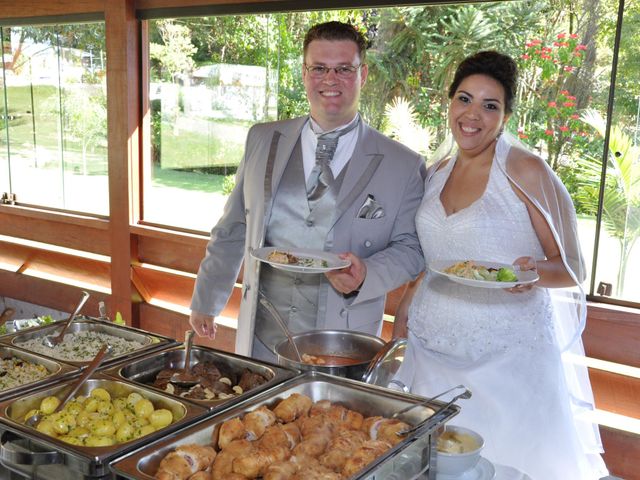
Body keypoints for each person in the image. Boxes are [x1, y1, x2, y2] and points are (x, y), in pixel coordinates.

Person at [392, 51, 607, 479]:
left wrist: (532, 275)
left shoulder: (526, 171)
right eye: (465, 99)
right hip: (430, 348)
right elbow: (430, 263)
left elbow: (572, 267)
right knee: (428, 463)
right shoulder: (435, 172)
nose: (473, 115)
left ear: (505, 115)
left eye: (490, 106)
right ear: (449, 102)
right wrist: (403, 315)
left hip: (506, 357)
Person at [189, 21, 426, 360]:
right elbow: (233, 227)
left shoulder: (402, 164)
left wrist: (367, 274)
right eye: (319, 68)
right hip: (262, 337)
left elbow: (412, 248)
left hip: (341, 343)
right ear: (304, 73)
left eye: (344, 69)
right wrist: (206, 300)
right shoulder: (262, 139)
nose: (330, 80)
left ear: (364, 74)